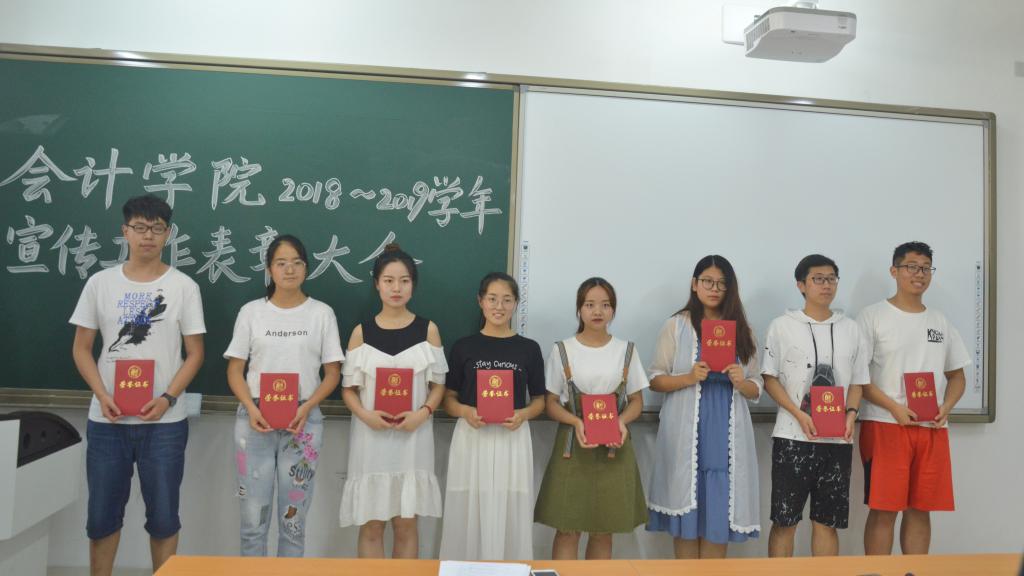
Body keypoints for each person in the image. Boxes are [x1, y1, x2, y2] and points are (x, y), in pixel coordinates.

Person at [70, 194, 205, 576]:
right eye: (140, 227)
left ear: (168, 234)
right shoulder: (100, 284)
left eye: (157, 228)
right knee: (101, 518)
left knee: (164, 518)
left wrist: (168, 398)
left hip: (164, 424)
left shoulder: (183, 287)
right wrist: (102, 394)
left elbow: (195, 353)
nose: (148, 236)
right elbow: (81, 348)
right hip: (107, 421)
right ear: (125, 231)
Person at [224, 234, 343, 556]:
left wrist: (309, 406)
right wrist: (250, 407)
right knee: (253, 523)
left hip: (303, 420)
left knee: (293, 523)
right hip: (255, 418)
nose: (289, 269)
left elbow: (333, 373)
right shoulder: (252, 312)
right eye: (281, 263)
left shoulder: (321, 314)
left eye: (297, 262)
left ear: (306, 268)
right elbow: (235, 370)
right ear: (269, 269)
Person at [645, 255, 762, 559]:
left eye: (722, 284)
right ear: (694, 284)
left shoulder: (742, 329)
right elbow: (655, 379)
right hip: (686, 431)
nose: (714, 289)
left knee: (718, 511)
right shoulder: (677, 325)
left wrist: (741, 382)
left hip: (726, 432)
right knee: (687, 508)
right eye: (708, 282)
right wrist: (688, 377)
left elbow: (756, 386)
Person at [858, 241, 969, 555]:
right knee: (884, 509)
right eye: (911, 267)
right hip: (885, 425)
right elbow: (859, 378)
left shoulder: (940, 321)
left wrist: (946, 407)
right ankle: (877, 574)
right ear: (894, 271)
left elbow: (957, 376)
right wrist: (894, 407)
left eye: (925, 268)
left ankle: (914, 572)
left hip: (931, 428)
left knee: (921, 508)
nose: (919, 274)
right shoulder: (872, 316)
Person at [339, 244, 447, 558]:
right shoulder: (361, 333)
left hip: (413, 438)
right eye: (388, 280)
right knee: (372, 526)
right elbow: (348, 389)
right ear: (377, 284)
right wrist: (365, 415)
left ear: (413, 284)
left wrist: (423, 413)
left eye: (404, 281)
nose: (396, 288)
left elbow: (438, 385)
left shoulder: (428, 330)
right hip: (371, 439)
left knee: (406, 525)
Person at [761, 254, 869, 557]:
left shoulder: (851, 329)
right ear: (801, 285)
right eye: (818, 279)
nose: (826, 285)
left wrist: (851, 415)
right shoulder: (782, 326)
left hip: (837, 441)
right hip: (792, 437)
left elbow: (858, 382)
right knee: (785, 522)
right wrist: (798, 414)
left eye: (832, 278)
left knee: (827, 523)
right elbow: (769, 378)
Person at [534, 277, 648, 560]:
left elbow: (637, 401)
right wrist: (576, 422)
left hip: (614, 447)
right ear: (579, 309)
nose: (598, 311)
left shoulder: (626, 350)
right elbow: (550, 403)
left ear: (613, 310)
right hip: (573, 446)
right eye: (590, 304)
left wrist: (621, 421)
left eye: (605, 305)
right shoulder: (562, 349)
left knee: (603, 530)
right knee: (567, 528)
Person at [439, 272, 546, 560]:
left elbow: (540, 400)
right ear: (480, 301)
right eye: (492, 299)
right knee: (468, 506)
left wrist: (523, 414)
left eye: (507, 300)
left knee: (509, 506)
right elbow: (448, 399)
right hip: (472, 436)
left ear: (516, 304)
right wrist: (465, 411)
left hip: (513, 438)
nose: (499, 306)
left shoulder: (529, 348)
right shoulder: (463, 346)